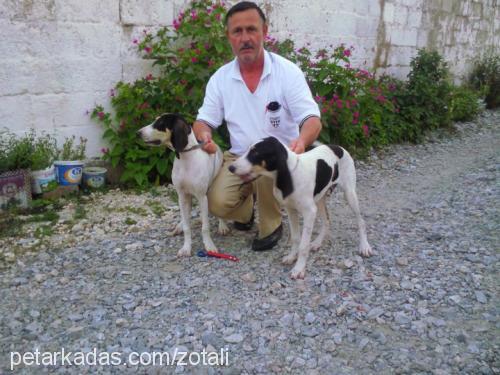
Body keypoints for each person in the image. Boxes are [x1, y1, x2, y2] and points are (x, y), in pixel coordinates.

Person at [193, 1, 322, 251]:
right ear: (229, 37)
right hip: (241, 153)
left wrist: (303, 141)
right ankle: (245, 213)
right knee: (217, 203)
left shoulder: (287, 72)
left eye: (251, 29)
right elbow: (202, 121)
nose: (245, 38)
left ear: (265, 30)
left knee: (266, 165)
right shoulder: (220, 79)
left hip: (280, 155)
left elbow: (311, 119)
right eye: (237, 31)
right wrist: (204, 137)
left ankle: (272, 225)